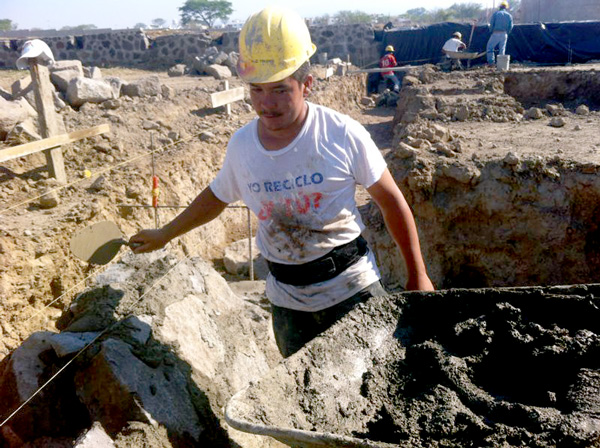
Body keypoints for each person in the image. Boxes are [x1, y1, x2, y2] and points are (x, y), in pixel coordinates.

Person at [130, 6, 434, 357]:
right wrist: (164, 233)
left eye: (279, 90)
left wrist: (418, 275)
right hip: (288, 304)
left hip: (352, 290)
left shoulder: (341, 134)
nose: (265, 104)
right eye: (256, 90)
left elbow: (391, 200)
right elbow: (217, 196)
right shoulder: (243, 146)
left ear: (307, 84)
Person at [486, 1, 513, 66]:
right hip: (504, 34)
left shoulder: (496, 14)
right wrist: (507, 33)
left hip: (496, 33)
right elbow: (511, 26)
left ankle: (491, 63)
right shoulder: (509, 15)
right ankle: (501, 64)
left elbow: (491, 24)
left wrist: (491, 31)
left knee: (490, 48)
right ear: (506, 7)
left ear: (500, 7)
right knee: (502, 50)